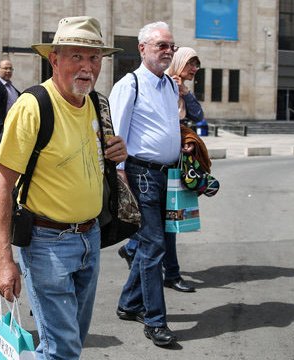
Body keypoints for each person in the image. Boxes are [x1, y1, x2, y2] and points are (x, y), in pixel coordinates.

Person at [0, 16, 125, 359]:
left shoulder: (97, 103)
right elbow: (1, 188)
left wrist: (116, 153)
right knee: (62, 348)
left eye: (94, 58)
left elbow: (94, 161)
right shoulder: (33, 106)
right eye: (76, 56)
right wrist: (5, 261)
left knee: (70, 343)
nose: (87, 67)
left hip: (90, 238)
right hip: (47, 243)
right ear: (54, 59)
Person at [111, 21, 182, 347]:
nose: (168, 51)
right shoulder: (130, 84)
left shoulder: (169, 85)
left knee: (149, 244)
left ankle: (129, 303)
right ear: (142, 49)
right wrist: (121, 174)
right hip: (139, 174)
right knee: (155, 245)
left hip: (166, 174)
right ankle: (155, 321)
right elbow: (115, 133)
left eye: (171, 46)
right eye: (161, 46)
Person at [117, 46, 203, 293]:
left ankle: (134, 280)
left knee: (166, 226)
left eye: (197, 65)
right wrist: (120, 169)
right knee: (163, 231)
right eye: (191, 64)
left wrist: (185, 94)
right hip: (148, 168)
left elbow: (198, 115)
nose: (194, 69)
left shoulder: (175, 87)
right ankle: (169, 275)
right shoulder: (156, 86)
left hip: (174, 165)